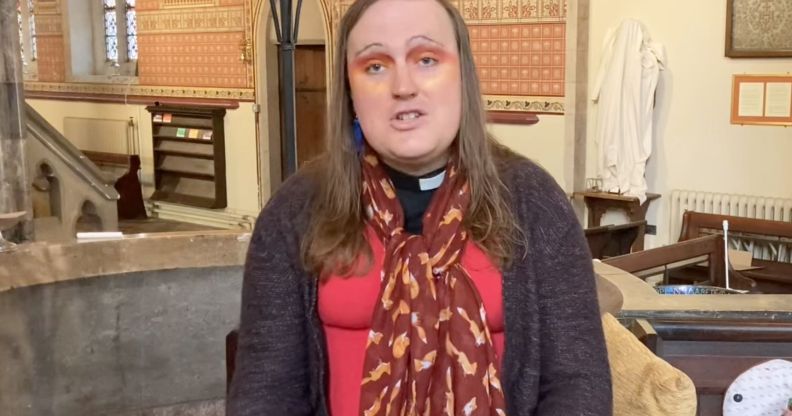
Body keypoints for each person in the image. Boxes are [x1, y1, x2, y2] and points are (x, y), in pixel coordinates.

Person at [227, 0, 611, 414]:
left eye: (426, 59)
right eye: (375, 65)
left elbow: (578, 383)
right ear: (350, 90)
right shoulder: (296, 210)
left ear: (462, 74)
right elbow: (265, 392)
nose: (403, 86)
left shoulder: (535, 203)